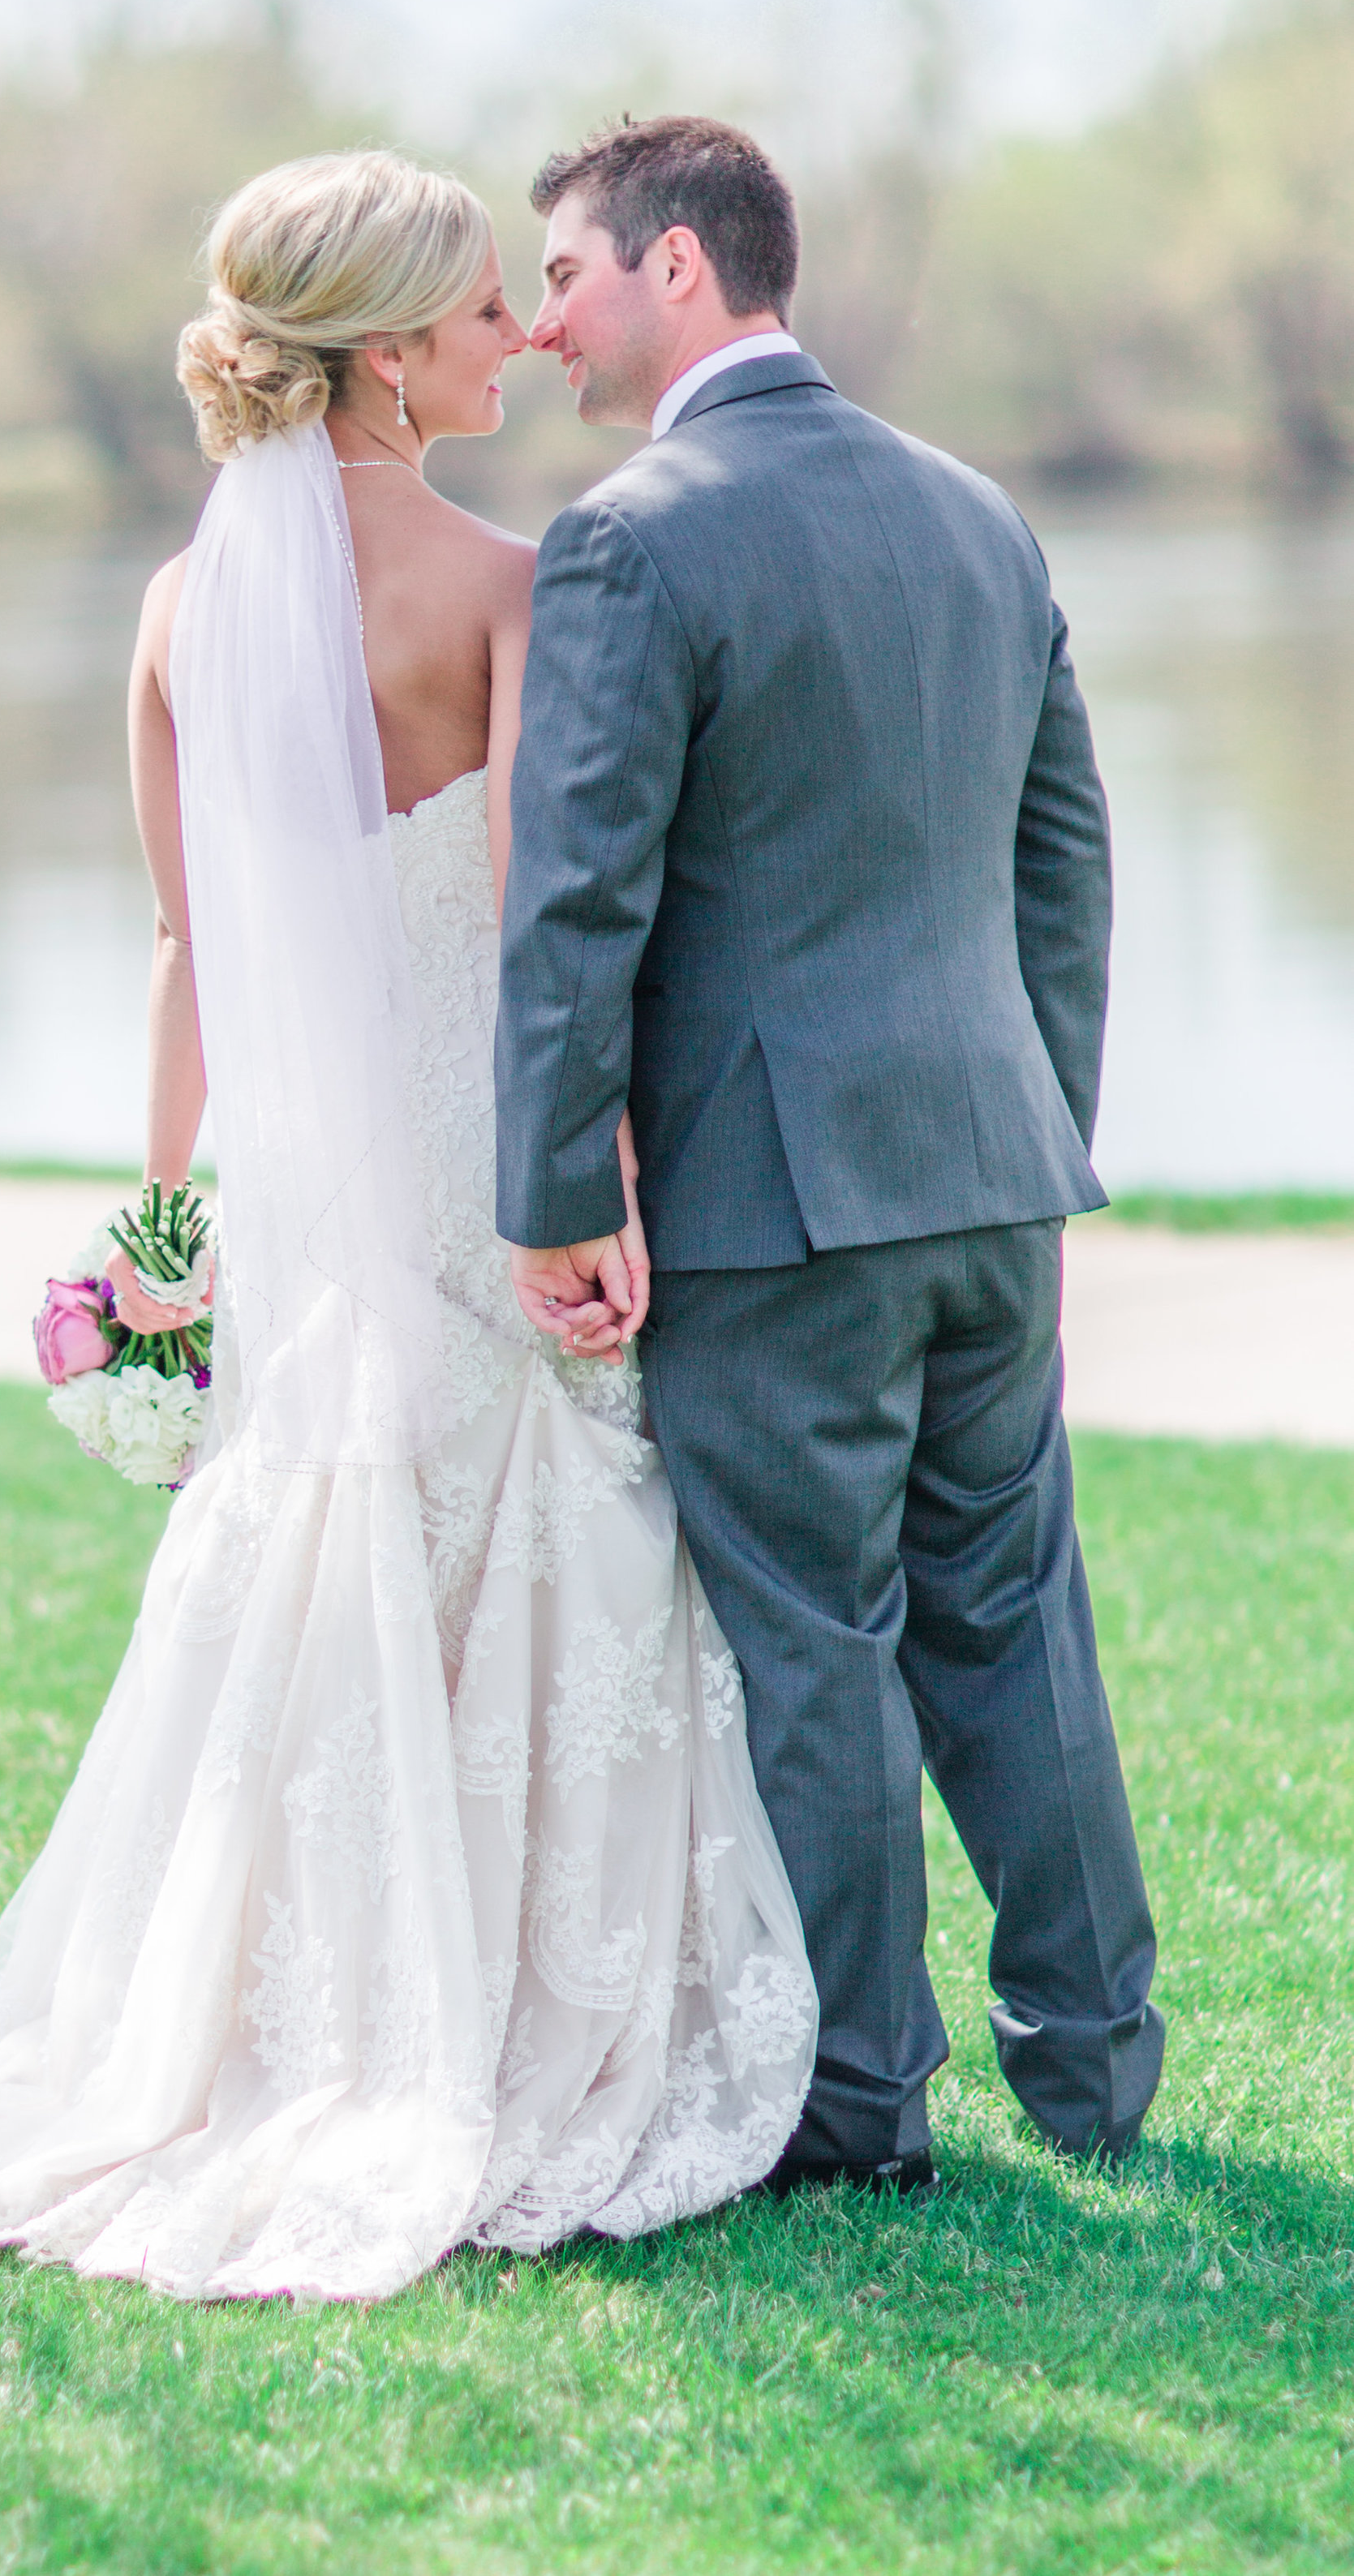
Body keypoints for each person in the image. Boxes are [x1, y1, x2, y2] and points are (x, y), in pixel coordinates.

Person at [0, 150, 816, 2300]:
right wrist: (590, 1189)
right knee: (533, 1545)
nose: (509, 337)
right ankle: (486, 2024)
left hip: (306, 1191)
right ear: (372, 356)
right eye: (468, 312)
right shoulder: (506, 583)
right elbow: (559, 941)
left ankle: (264, 2019)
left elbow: (185, 942)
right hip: (479, 1156)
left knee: (315, 1546)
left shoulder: (177, 603)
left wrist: (168, 1219)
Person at [495, 115, 1163, 2192]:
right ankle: (1095, 2054)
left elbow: (577, 905)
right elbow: (1065, 860)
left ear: (678, 266)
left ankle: (860, 2097)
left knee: (814, 1641)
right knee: (1005, 1611)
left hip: (775, 1208)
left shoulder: (632, 537)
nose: (544, 322)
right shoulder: (978, 518)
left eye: (569, 277)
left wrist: (549, 1199)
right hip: (985, 1172)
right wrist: (1028, 1107)